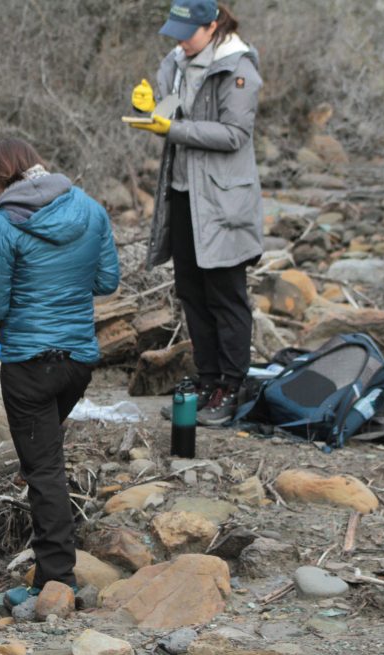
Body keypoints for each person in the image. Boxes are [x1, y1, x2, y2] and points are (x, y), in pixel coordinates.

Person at [0, 139, 120, 600]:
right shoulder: (90, 208)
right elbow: (106, 280)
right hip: (77, 362)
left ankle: (57, 579)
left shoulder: (3, 223)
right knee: (46, 461)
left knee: (44, 471)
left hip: (30, 366)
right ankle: (51, 572)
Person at [127, 0, 263, 426]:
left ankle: (231, 387)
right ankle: (207, 382)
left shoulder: (237, 66)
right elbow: (174, 114)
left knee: (226, 295)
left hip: (224, 201)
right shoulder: (177, 60)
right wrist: (151, 111)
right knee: (191, 293)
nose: (180, 40)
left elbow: (235, 134)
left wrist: (173, 129)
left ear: (213, 24)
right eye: (176, 31)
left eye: (188, 32)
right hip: (183, 195)